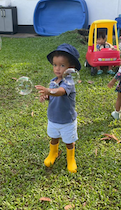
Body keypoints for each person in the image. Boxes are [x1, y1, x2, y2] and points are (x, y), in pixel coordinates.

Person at [35, 43, 81, 173]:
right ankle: (53, 153)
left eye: (62, 65)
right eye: (55, 65)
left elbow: (60, 92)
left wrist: (49, 91)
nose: (57, 68)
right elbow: (53, 96)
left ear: (70, 68)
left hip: (67, 120)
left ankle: (71, 159)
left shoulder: (69, 82)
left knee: (69, 141)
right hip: (54, 118)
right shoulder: (52, 81)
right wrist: (46, 96)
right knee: (54, 137)